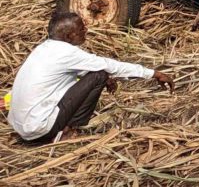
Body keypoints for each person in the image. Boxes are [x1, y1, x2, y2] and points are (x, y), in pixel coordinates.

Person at [7, 12, 174, 143]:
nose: (86, 31)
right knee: (99, 74)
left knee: (98, 74)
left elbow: (76, 73)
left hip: (23, 128)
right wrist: (154, 74)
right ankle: (68, 131)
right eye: (81, 29)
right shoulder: (67, 53)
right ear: (69, 36)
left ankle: (60, 128)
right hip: (40, 128)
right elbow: (109, 66)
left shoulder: (44, 49)